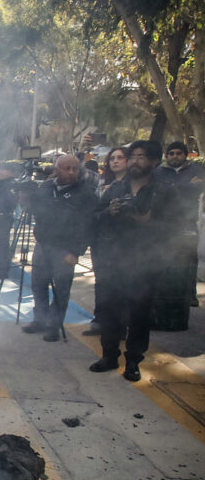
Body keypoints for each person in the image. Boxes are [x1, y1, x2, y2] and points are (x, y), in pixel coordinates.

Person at [90, 140, 178, 381]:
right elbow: (95, 216)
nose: (135, 161)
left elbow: (175, 227)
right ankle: (109, 356)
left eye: (141, 156)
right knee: (109, 311)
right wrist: (110, 212)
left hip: (144, 264)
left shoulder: (164, 191)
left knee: (139, 315)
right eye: (133, 156)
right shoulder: (116, 189)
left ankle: (133, 362)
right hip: (113, 260)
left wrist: (147, 222)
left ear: (154, 162)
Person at [20, 155, 95, 341]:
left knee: (61, 288)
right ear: (57, 169)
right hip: (43, 244)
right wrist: (25, 197)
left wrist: (76, 251)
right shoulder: (46, 187)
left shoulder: (86, 193)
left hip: (66, 248)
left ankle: (54, 325)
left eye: (74, 169)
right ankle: (40, 320)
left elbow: (88, 226)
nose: (71, 172)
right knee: (38, 284)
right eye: (66, 168)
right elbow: (34, 210)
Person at [84, 146, 129, 335]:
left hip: (123, 242)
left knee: (119, 284)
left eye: (120, 158)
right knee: (101, 281)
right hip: (101, 240)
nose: (116, 161)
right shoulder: (103, 183)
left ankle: (119, 326)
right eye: (112, 158)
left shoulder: (133, 184)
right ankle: (101, 319)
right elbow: (95, 211)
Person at [154, 141, 203, 310]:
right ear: (166, 156)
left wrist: (175, 188)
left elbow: (200, 187)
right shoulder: (158, 172)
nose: (175, 156)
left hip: (188, 222)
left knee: (189, 259)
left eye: (179, 153)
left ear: (185, 155)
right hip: (164, 223)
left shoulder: (196, 170)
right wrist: (187, 186)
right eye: (172, 153)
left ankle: (190, 295)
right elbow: (159, 192)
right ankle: (166, 293)